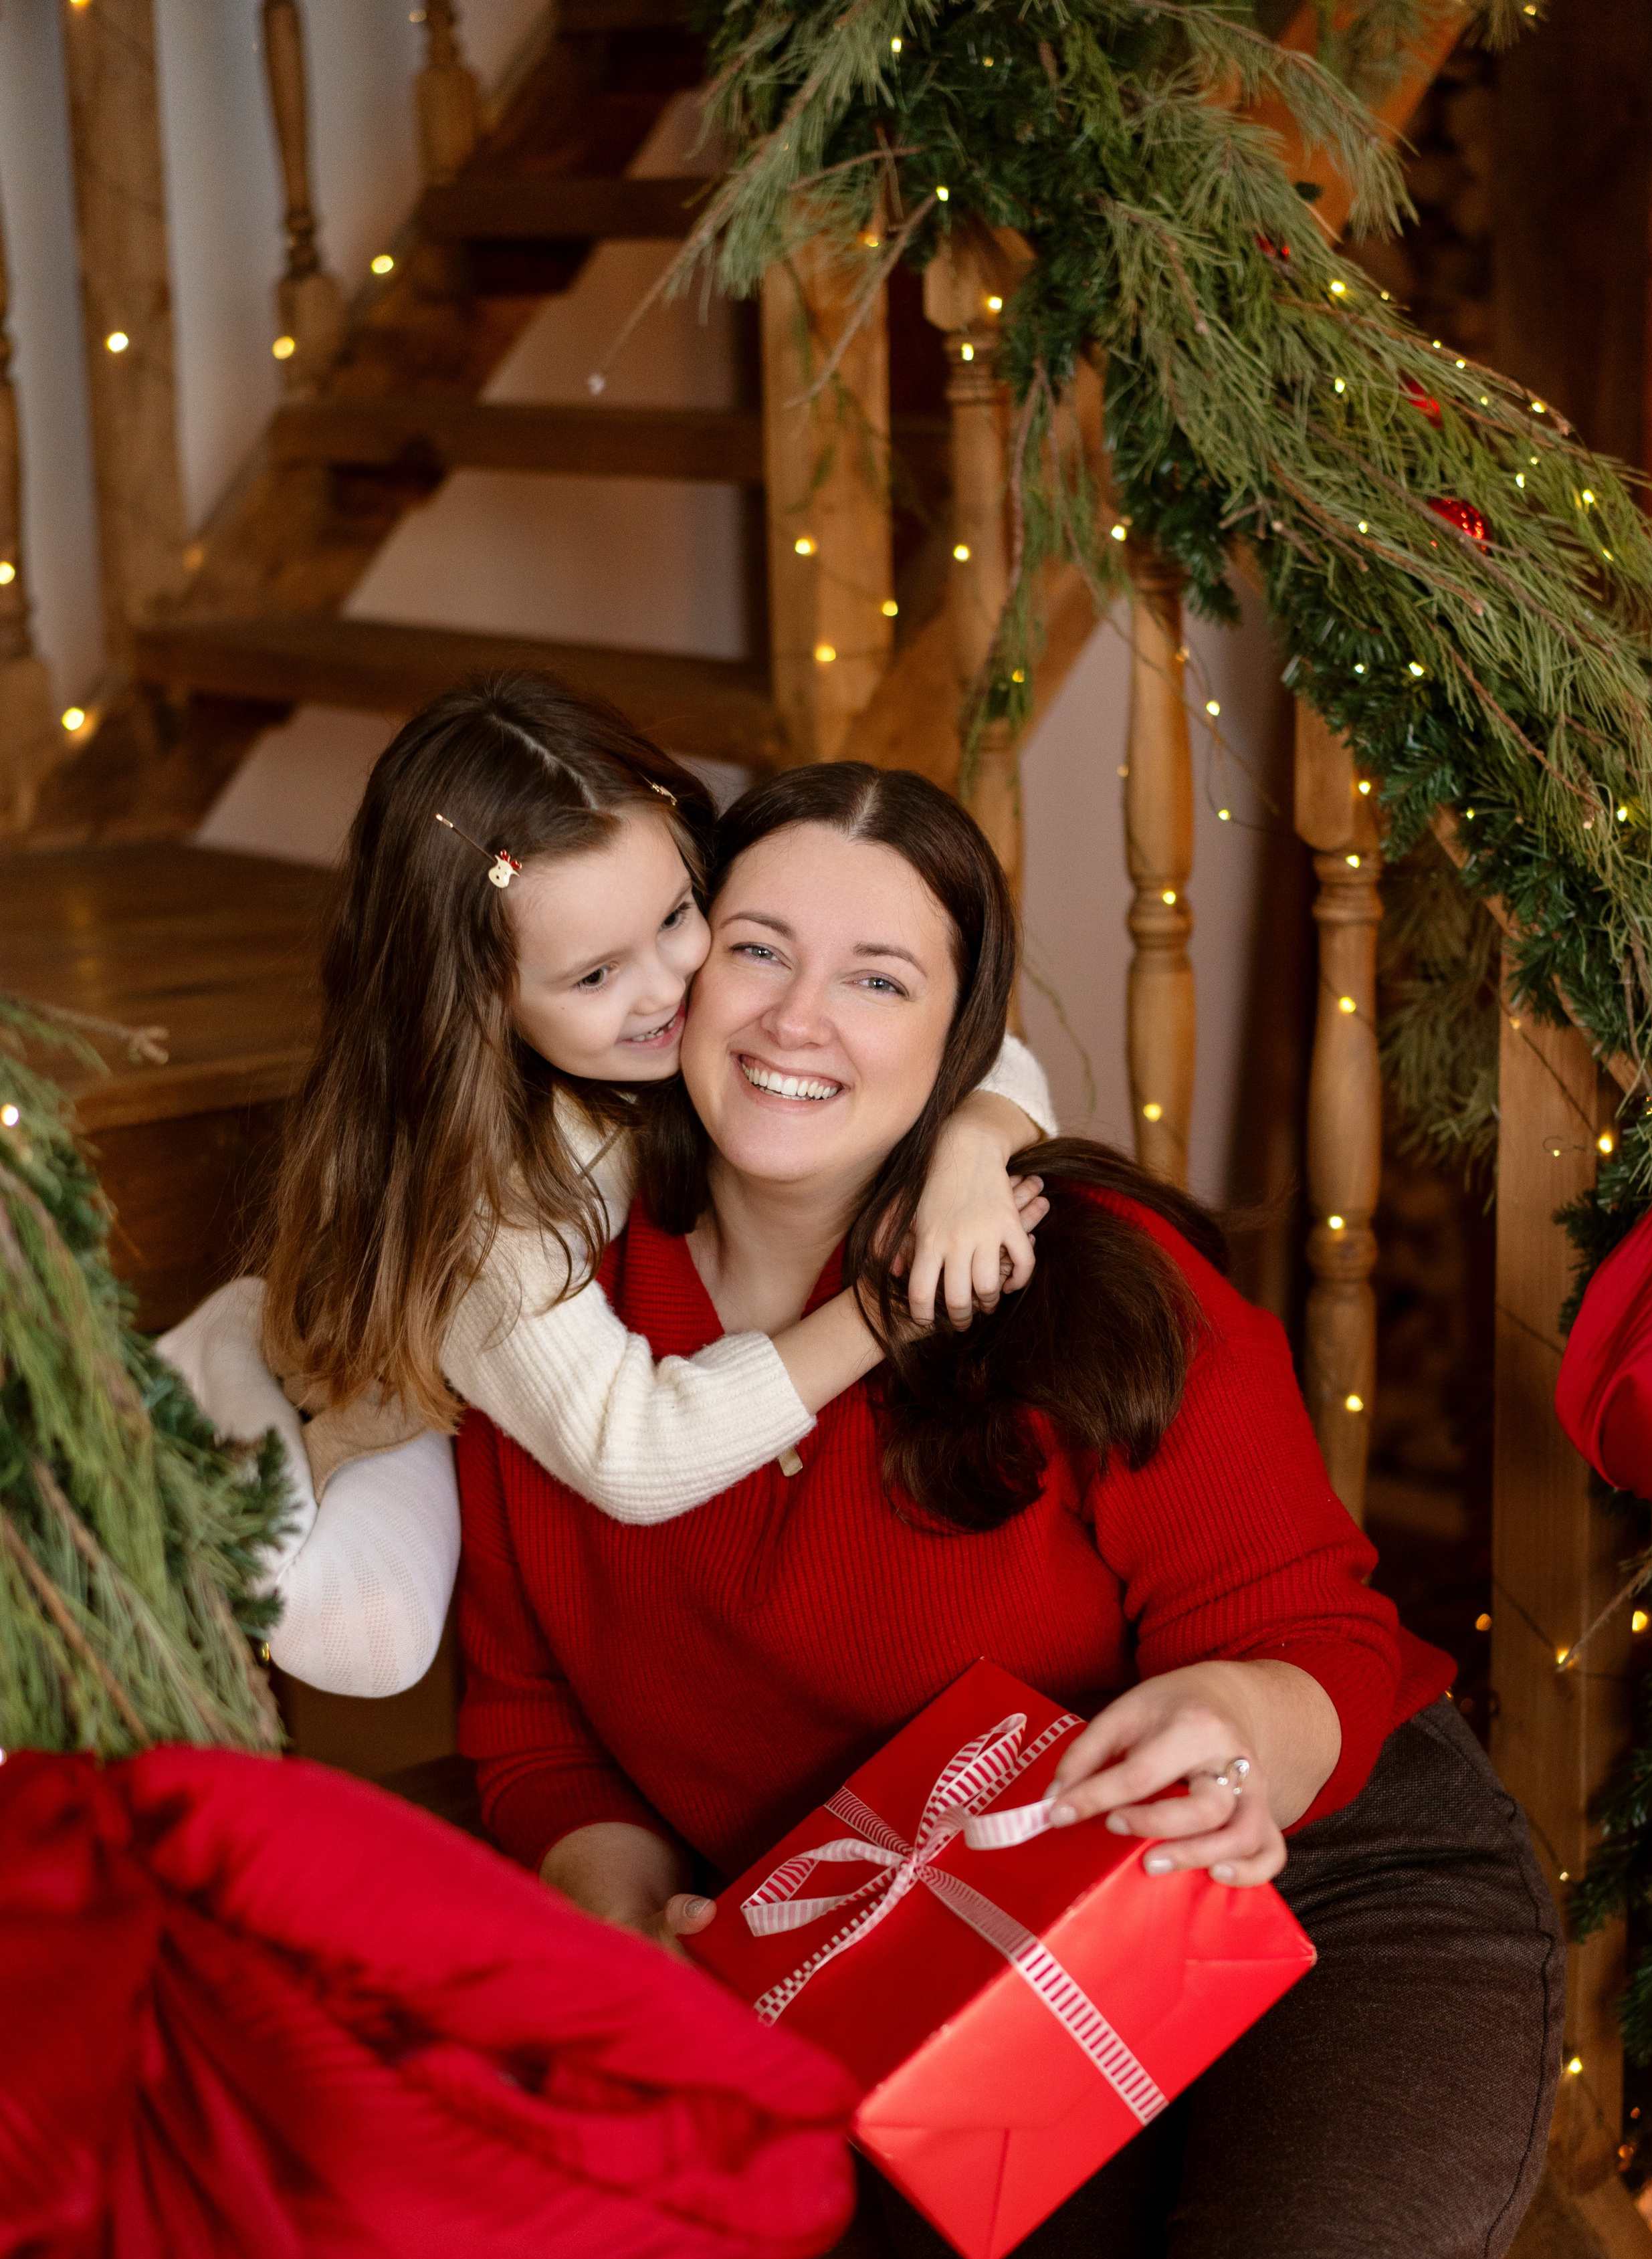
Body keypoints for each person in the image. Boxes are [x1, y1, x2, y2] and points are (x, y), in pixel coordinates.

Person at [456, 760, 1566, 2259]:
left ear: (958, 1039)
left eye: (881, 978)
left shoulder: (1087, 1280)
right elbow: (531, 1733)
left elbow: (1311, 1635)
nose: (803, 1019)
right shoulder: (553, 1343)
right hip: (934, 1974)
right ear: (677, 982)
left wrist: (1231, 1724)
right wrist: (623, 1925)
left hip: (1329, 1885)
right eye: (760, 950)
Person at [159, 674, 1054, 1694]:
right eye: (595, 978)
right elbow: (631, 1455)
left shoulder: (663, 987)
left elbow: (973, 1046)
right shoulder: (487, 1201)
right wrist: (887, 1310)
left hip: (486, 1377)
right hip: (362, 1398)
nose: (671, 988)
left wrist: (978, 1147)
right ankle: (200, 1382)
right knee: (366, 1644)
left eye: (680, 916)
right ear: (480, 1009)